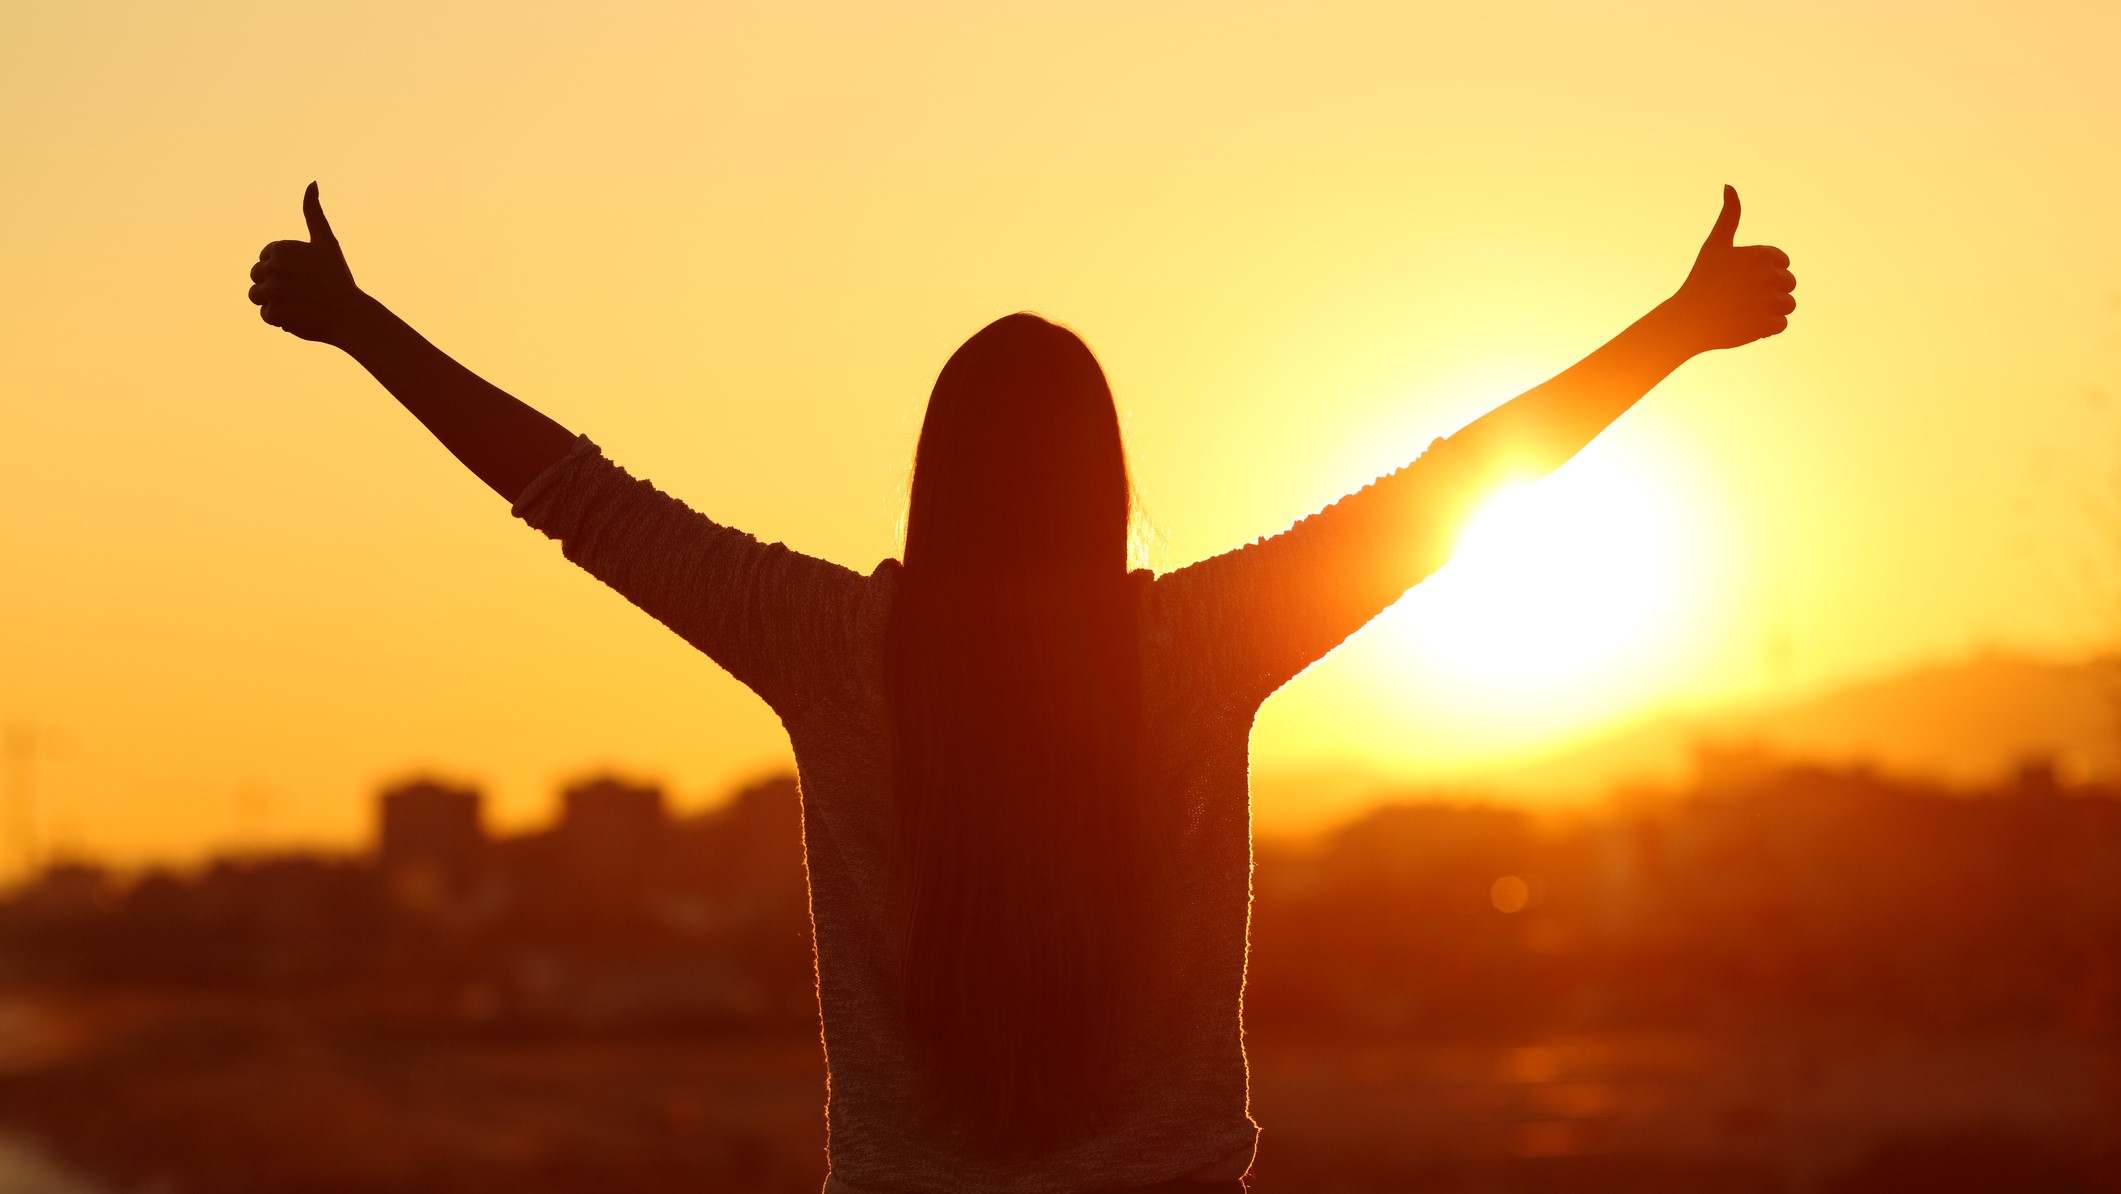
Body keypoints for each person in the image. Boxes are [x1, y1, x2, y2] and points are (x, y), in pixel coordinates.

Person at [246, 183, 1794, 1193]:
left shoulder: (833, 647)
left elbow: (577, 493)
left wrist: (361, 324)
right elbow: (1444, 496)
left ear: (934, 482)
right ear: (1105, 483)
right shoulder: (1192, 649)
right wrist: (1676, 330)